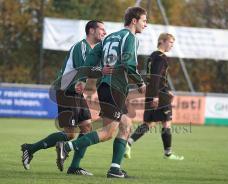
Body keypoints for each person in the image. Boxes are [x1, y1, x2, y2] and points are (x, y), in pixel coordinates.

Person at [55, 6, 147, 178]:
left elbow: (89, 61)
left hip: (105, 86)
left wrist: (82, 79)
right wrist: (140, 82)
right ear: (134, 21)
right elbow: (129, 64)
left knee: (126, 125)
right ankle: (66, 147)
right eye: (144, 20)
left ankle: (114, 169)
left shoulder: (109, 37)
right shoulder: (131, 37)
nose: (146, 24)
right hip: (116, 88)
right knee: (107, 133)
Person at [21, 20, 106, 175]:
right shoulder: (81, 46)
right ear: (92, 30)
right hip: (66, 90)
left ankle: (74, 167)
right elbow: (85, 69)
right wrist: (104, 70)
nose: (104, 32)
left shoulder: (94, 50)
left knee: (87, 128)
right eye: (102, 29)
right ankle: (30, 148)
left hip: (76, 93)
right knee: (69, 134)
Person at [124, 33, 184, 161]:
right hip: (159, 94)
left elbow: (152, 77)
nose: (172, 46)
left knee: (149, 123)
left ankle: (128, 142)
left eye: (173, 43)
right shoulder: (161, 57)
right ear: (162, 41)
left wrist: (161, 92)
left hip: (153, 92)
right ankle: (168, 153)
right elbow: (156, 77)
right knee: (166, 122)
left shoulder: (152, 56)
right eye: (170, 42)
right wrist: (157, 96)